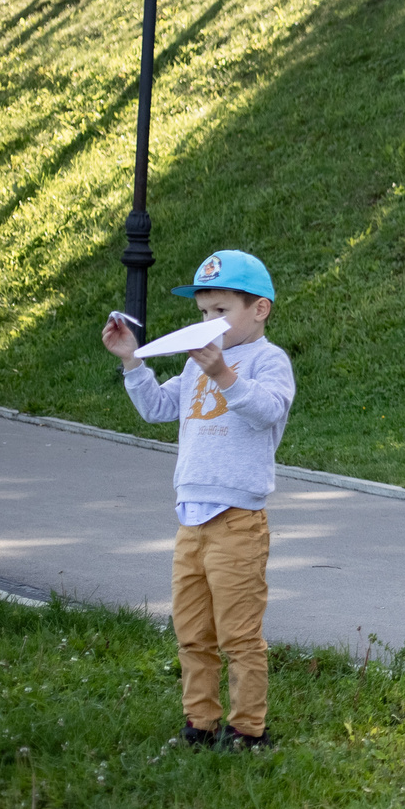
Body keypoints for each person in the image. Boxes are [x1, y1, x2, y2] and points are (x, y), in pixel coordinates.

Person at [101, 249, 296, 750]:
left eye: (221, 312)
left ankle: (249, 730)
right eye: (203, 313)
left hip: (237, 519)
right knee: (191, 632)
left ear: (259, 309)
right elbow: (157, 408)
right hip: (191, 519)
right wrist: (131, 360)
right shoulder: (194, 368)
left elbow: (267, 410)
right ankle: (200, 725)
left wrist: (223, 373)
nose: (209, 323)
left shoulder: (268, 360)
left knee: (239, 636)